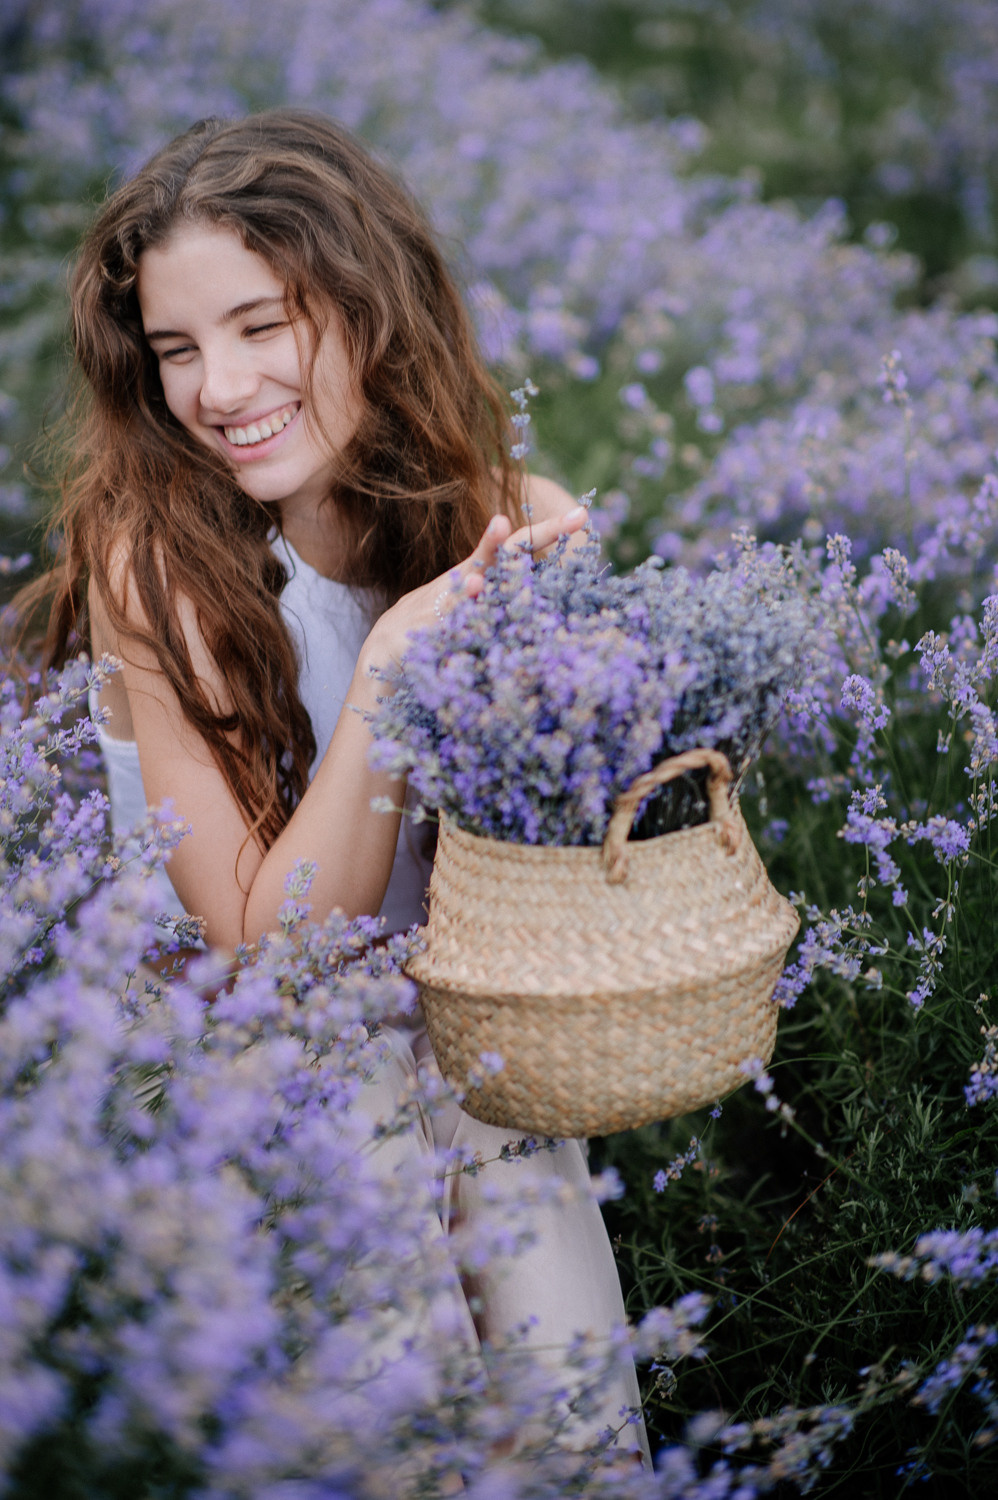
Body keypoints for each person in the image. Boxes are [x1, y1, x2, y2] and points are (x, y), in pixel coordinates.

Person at [22, 109, 649, 1466]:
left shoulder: (509, 517)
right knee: (401, 1438)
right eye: (177, 348)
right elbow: (270, 949)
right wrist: (394, 672)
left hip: (479, 1054)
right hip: (270, 1084)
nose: (219, 386)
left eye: (262, 324)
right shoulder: (159, 574)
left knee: (577, 1436)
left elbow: (583, 842)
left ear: (369, 309)